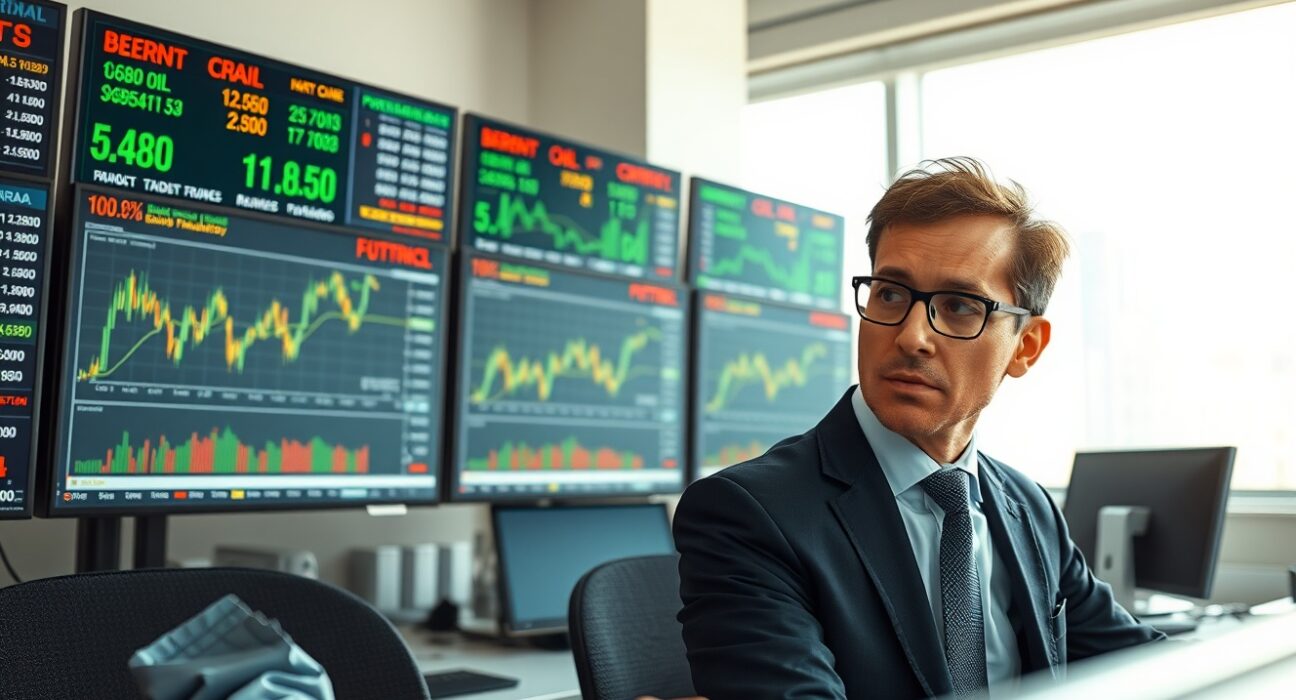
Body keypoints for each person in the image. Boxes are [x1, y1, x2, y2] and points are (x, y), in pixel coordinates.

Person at [672, 158, 1164, 699]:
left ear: (1026, 346)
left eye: (958, 306)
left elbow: (1151, 667)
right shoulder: (746, 514)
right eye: (889, 293)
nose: (911, 337)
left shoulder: (1029, 506)